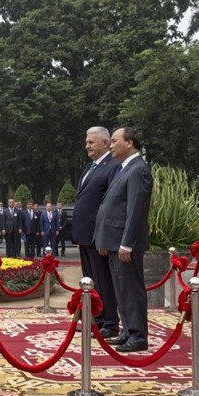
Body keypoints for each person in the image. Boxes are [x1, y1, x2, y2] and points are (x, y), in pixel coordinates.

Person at [94, 127, 153, 353]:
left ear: (130, 143)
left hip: (125, 243)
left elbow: (135, 211)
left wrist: (126, 243)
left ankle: (138, 336)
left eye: (115, 141)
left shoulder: (138, 170)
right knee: (121, 289)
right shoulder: (124, 169)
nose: (111, 145)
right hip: (114, 241)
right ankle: (128, 331)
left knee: (130, 290)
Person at [73, 126, 122, 339]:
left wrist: (104, 236)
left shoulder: (112, 167)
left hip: (98, 234)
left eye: (91, 142)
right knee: (90, 280)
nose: (87, 146)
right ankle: (97, 319)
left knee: (103, 279)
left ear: (105, 143)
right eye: (86, 142)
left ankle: (110, 322)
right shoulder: (91, 167)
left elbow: (110, 204)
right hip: (85, 234)